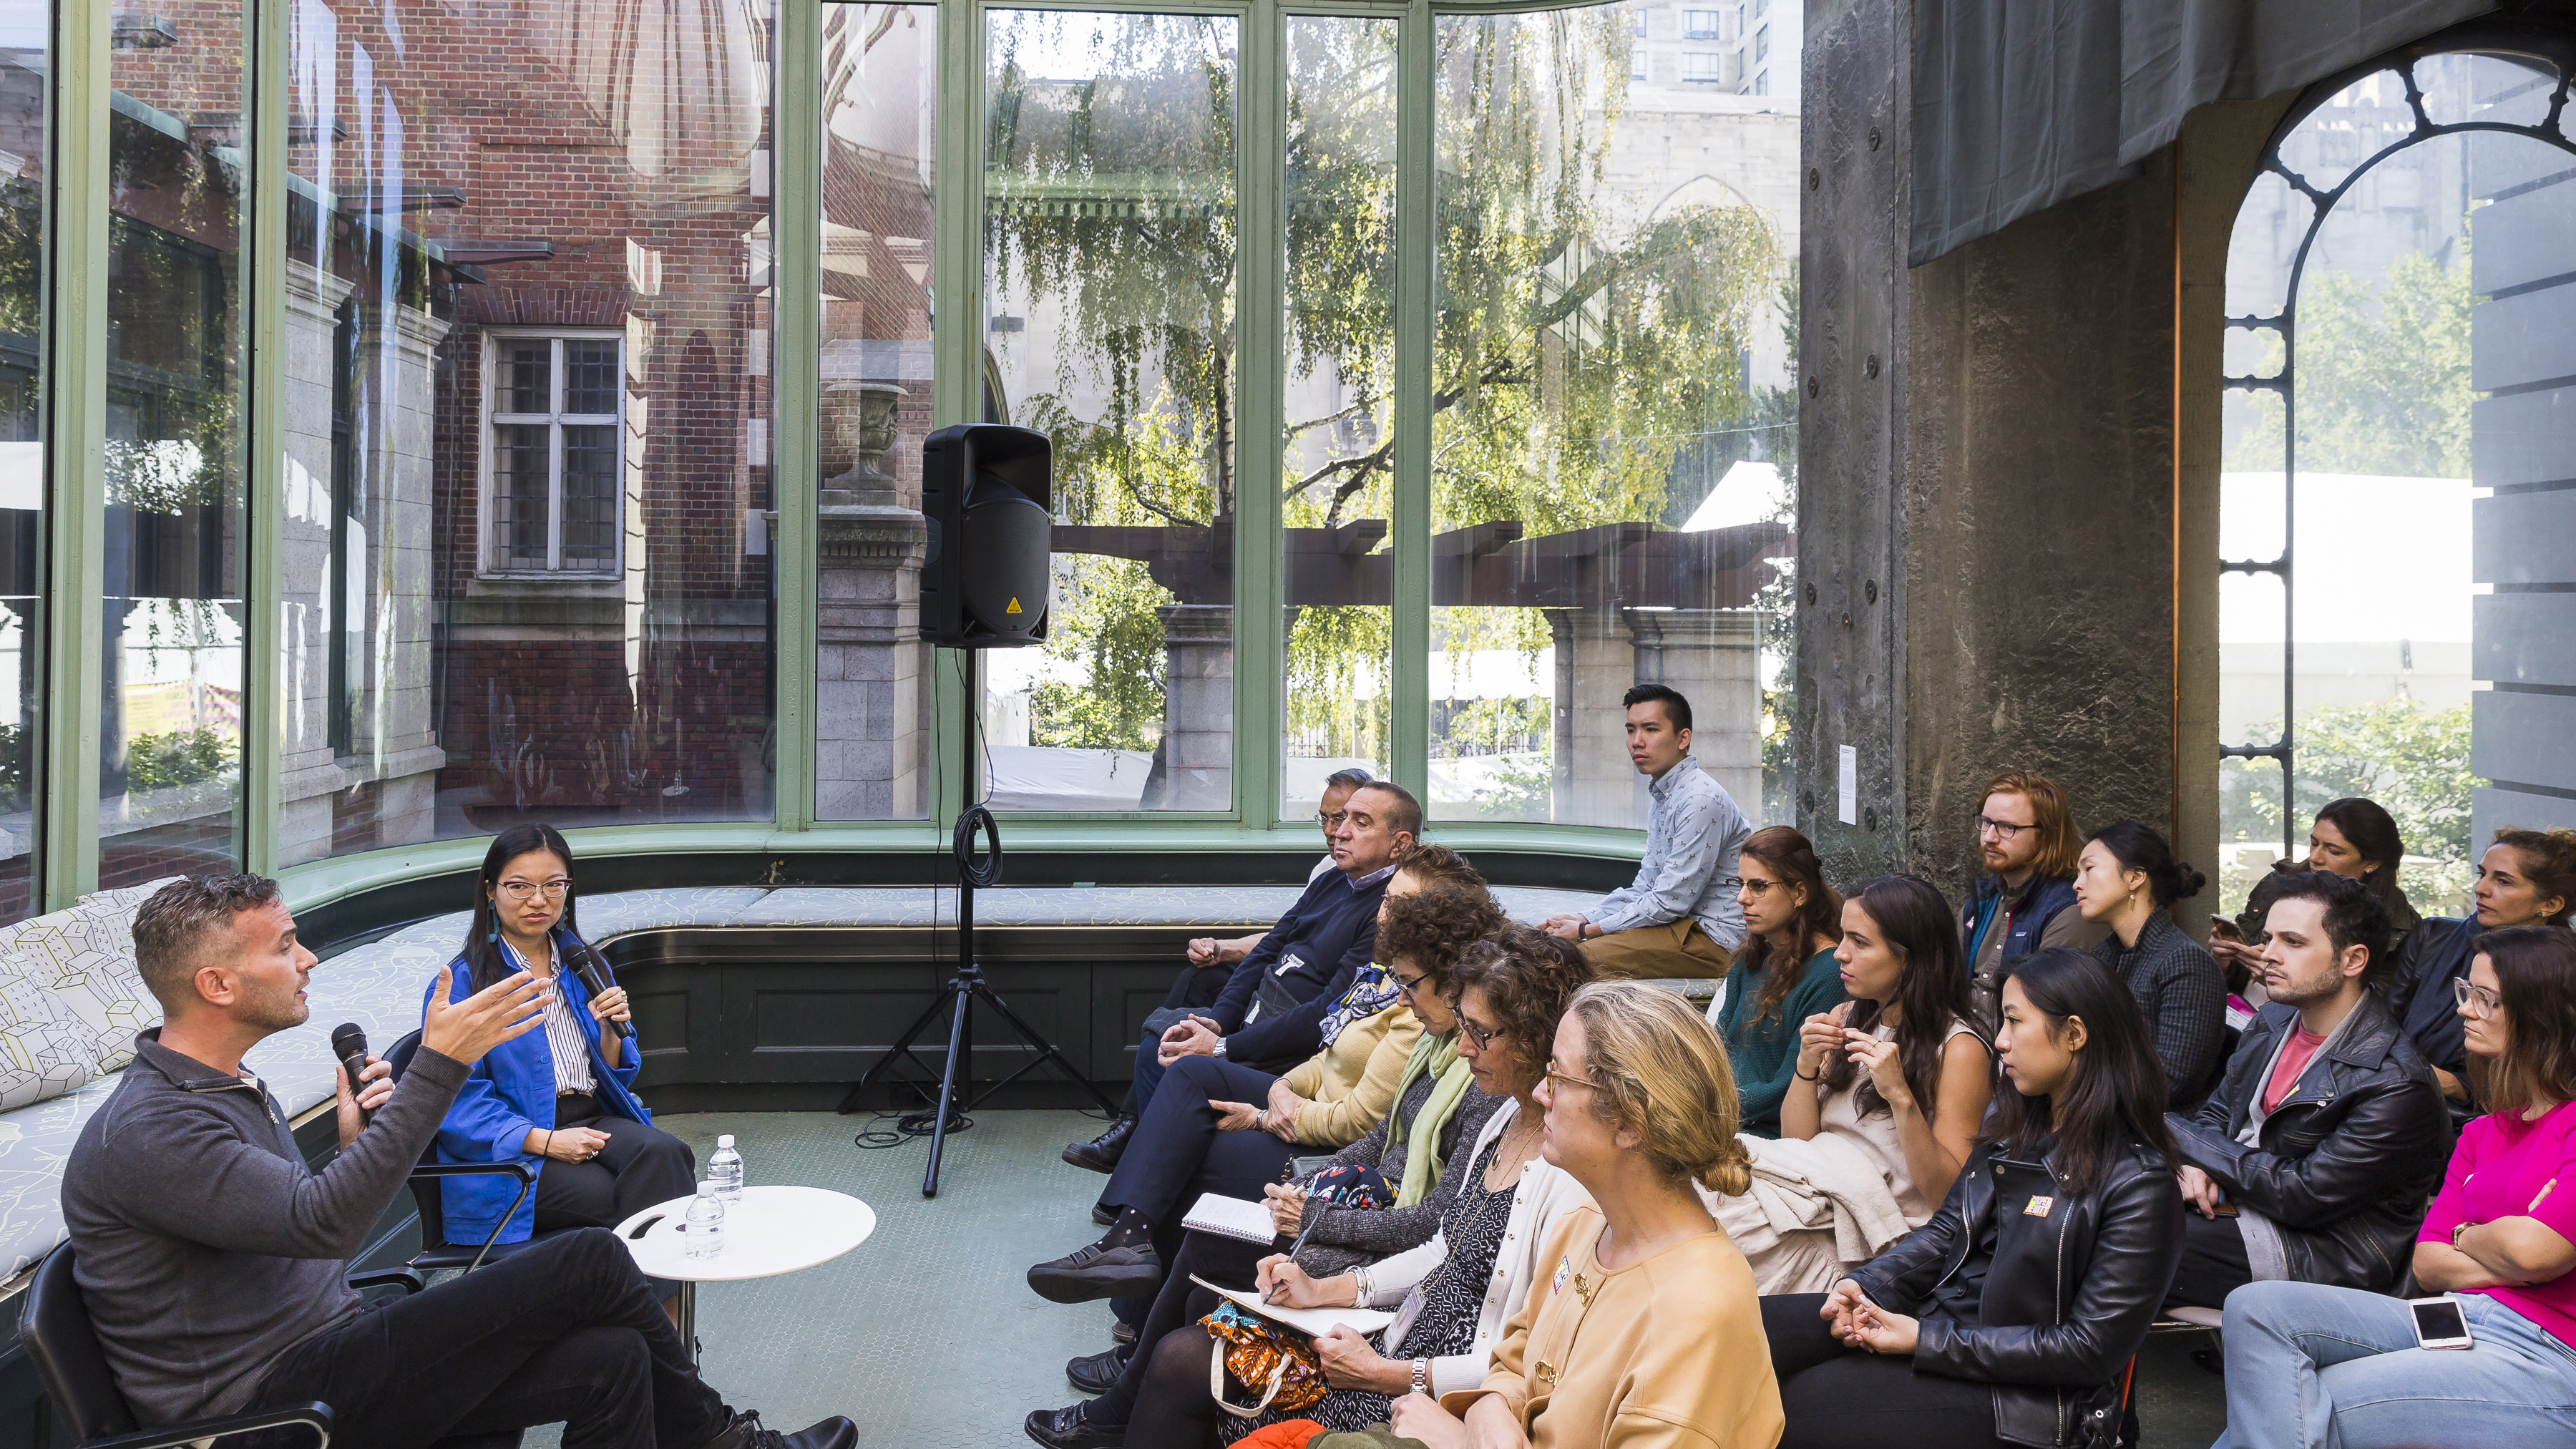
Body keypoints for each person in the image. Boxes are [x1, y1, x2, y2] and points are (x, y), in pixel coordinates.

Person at [61, 874, 852, 1449]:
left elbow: (287, 1223)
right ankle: (734, 1447)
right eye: (286, 946)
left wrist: (354, 1145)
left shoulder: (217, 1086)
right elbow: (326, 1225)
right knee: (590, 1259)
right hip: (267, 1410)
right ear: (216, 983)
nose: (307, 960)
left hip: (331, 1353)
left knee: (613, 1362)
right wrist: (437, 1066)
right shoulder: (152, 1131)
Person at [1040, 930, 1596, 1449]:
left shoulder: (1565, 1171)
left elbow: (1519, 1361)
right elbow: (1442, 1248)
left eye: (1481, 1032)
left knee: (1184, 1358)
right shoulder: (1504, 1120)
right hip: (1390, 1342)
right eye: (1463, 1025)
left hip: (1417, 1388)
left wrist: (1384, 1371)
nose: (1465, 1046)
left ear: (1535, 1037)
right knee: (1193, 1331)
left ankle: (1127, 1403)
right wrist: (1322, 1290)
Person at [1762, 949, 2184, 1449]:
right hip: (1945, 1331)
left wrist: (1923, 1340)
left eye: (2014, 1021)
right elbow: (1945, 1233)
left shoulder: (2140, 1184)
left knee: (1798, 1405)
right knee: (1748, 1333)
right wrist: (1865, 1286)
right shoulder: (2013, 1130)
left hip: (2028, 1399)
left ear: (2074, 1033)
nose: (2000, 1041)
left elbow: (2087, 1350)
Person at [1027, 872, 1503, 1305]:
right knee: (1189, 1076)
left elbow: (1364, 1124)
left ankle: (1131, 1294)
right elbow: (1331, 1053)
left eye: (1399, 901)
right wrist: (1282, 1086)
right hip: (1310, 1110)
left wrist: (1275, 1120)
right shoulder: (1407, 999)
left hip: (1328, 1140)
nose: (1384, 909)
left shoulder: (1443, 1038)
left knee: (1199, 1148)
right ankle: (1128, 1254)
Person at [2213, 926, 2576, 1448]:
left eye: (2486, 999)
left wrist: (2469, 1236)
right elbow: (2430, 1263)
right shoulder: (2480, 1132)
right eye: (2465, 991)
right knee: (2254, 1307)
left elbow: (2537, 1249)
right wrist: (2504, 1243)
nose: (2464, 1010)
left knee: (2303, 1400)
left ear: (2544, 1012)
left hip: (2547, 1350)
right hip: (2460, 1315)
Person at [1385, 981, 1785, 1449]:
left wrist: (1458, 1440)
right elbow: (1517, 1360)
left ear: (1630, 1121)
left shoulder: (1694, 1314)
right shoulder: (1587, 1221)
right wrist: (1489, 1409)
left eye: (1558, 1075)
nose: (1539, 1091)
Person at [1066, 780, 1420, 1171]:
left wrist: (1222, 1047)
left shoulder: (1392, 911)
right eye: (1336, 819)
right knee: (1169, 1036)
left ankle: (1143, 1167)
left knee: (1165, 1053)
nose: (1338, 831)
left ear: (1400, 844)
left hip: (1294, 1048)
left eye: (1359, 822)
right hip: (1260, 1011)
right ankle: (1137, 1147)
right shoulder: (1333, 879)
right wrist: (1217, 1023)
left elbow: (1330, 1012)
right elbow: (1269, 949)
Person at [426, 825, 698, 1287]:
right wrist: (546, 1141)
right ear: (490, 891)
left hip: (587, 1115)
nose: (539, 900)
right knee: (640, 1202)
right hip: (512, 1151)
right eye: (520, 886)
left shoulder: (582, 962)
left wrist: (611, 1029)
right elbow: (454, 1100)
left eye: (554, 885)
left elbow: (613, 1074)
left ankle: (655, 1332)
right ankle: (655, 1334)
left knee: (668, 1155)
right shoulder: (466, 983)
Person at [2162, 871, 2448, 1309]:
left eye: (2293, 942)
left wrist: (2180, 1137)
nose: (2267, 955)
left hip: (2321, 1256)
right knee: (2071, 1202)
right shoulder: (2275, 1018)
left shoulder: (2395, 1082)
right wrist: (2195, 1164)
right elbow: (2219, 1115)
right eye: (2269, 938)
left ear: (2352, 961)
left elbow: (2303, 1196)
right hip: (2238, 1204)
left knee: (2109, 1239)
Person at [1722, 874, 1994, 1294]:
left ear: (1910, 956)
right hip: (1814, 1189)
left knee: (1717, 1236)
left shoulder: (1959, 1049)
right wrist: (1806, 1065)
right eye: (1843, 938)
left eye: (1859, 942)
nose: (1839, 955)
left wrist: (1901, 1098)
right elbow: (1800, 1141)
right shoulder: (1849, 1013)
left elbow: (1948, 1198)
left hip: (1872, 1232)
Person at [1538, 684, 1752, 980]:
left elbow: (1670, 901)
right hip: (1678, 926)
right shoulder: (1666, 794)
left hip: (1713, 938)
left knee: (1567, 962)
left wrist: (1586, 931)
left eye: (1651, 729)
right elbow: (1646, 886)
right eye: (1631, 730)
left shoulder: (1700, 799)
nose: (1637, 742)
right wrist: (1586, 918)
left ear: (1683, 738)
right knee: (1548, 949)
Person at [2385, 826, 2576, 1111]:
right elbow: (2384, 1025)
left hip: (2487, 1118)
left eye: (2504, 882)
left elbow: (2555, 1070)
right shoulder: (2433, 935)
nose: (2481, 888)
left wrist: (2457, 1085)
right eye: (2482, 874)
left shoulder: (2563, 971)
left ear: (2549, 905)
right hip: (2394, 1098)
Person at [2074, 820, 2227, 1112]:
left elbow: (2172, 1082)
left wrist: (2075, 1094)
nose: (2077, 884)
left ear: (2134, 878)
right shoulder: (2103, 955)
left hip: (2154, 1138)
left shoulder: (2186, 963)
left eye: (2089, 869)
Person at [1711, 825, 1846, 1137]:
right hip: (1718, 1115)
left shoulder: (1830, 973)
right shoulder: (1751, 959)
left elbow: (1789, 1084)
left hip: (1766, 1136)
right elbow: (1717, 1046)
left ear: (1799, 893)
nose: (1741, 898)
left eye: (1758, 886)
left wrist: (1709, 1105)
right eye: (1740, 883)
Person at [2210, 798, 2417, 994]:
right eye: (2314, 843)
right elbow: (2238, 980)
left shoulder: (2401, 928)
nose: (2315, 858)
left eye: (2334, 851)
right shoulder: (2278, 886)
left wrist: (2282, 979)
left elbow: (2376, 1007)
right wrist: (2226, 961)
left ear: (2371, 862)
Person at [1182, 768, 1377, 974]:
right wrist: (1221, 949)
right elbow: (1286, 935)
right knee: (1197, 977)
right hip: (1282, 972)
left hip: (1306, 984)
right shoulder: (1326, 869)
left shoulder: (1390, 893)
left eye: (1340, 818)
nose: (1330, 830)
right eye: (1324, 819)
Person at [1956, 770, 2105, 1033]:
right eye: (1986, 822)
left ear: (2046, 834)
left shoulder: (2071, 909)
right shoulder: (1981, 900)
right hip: (1966, 1046)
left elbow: (2050, 1016)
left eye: (2007, 827)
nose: (1989, 836)